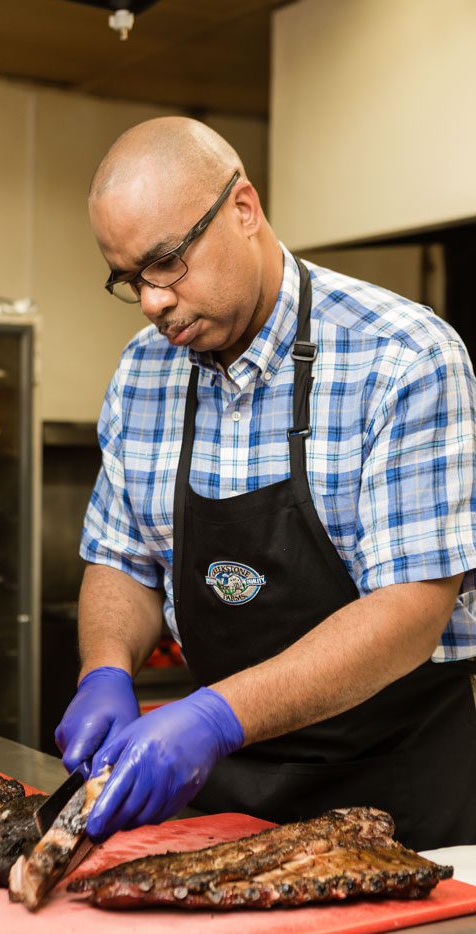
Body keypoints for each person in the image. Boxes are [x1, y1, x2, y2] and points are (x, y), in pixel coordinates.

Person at [55, 116, 476, 851]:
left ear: (243, 209)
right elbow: (122, 559)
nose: (152, 301)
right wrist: (105, 669)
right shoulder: (142, 372)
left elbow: (411, 609)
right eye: (129, 278)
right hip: (223, 806)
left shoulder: (404, 358)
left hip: (397, 798)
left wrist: (214, 716)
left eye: (166, 262)